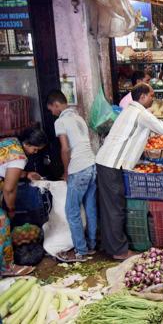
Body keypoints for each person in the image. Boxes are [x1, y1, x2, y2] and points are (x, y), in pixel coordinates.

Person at [95, 83, 163, 260]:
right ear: (142, 97)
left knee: (111, 206)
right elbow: (161, 128)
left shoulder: (132, 111)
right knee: (115, 208)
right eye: (151, 95)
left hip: (107, 162)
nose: (153, 98)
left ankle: (110, 245)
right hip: (110, 164)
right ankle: (119, 251)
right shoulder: (140, 113)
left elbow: (158, 124)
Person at [46, 90, 97, 263]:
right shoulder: (79, 117)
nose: (52, 113)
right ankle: (91, 246)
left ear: (56, 105)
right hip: (92, 165)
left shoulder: (61, 121)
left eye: (51, 110)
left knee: (72, 211)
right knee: (90, 208)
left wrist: (66, 172)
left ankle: (81, 251)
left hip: (79, 168)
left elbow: (65, 148)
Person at [0, 128, 47, 276]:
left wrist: (26, 174)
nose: (35, 152)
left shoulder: (11, 142)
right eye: (35, 149)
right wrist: (11, 209)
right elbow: (9, 189)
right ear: (27, 144)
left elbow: (6, 168)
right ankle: (7, 268)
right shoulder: (19, 157)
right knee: (3, 223)